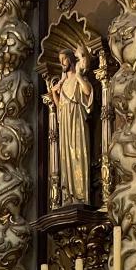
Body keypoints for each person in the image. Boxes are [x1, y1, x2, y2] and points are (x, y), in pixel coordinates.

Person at [49, 47, 94, 205]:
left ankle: (80, 195)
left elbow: (88, 92)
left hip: (77, 121)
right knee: (66, 156)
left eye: (64, 59)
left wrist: (80, 76)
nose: (62, 63)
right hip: (65, 123)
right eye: (60, 60)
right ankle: (68, 195)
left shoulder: (77, 78)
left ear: (71, 60)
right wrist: (54, 92)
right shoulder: (64, 82)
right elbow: (60, 105)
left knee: (78, 154)